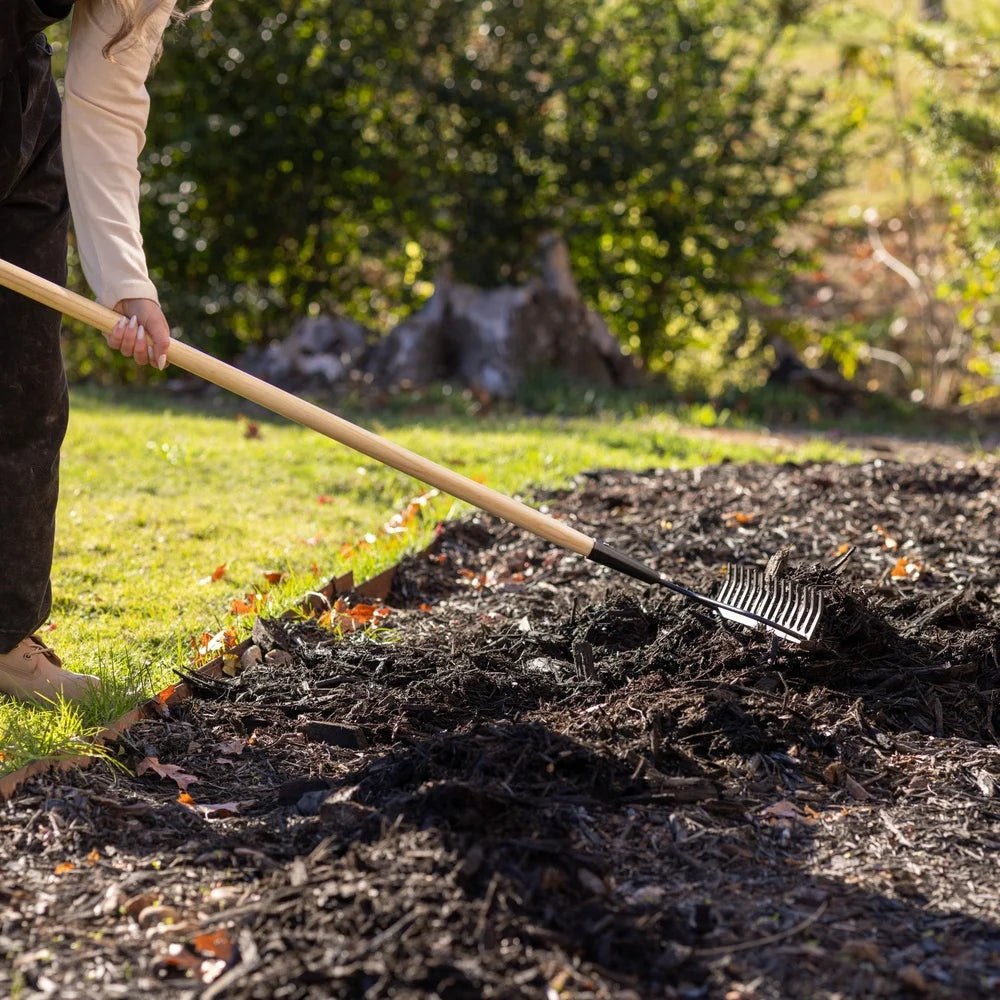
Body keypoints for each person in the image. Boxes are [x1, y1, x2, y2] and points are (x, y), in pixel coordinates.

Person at [0, 0, 196, 703]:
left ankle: (3, 636)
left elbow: (109, 95)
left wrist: (126, 282)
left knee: (25, 392)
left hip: (15, 97)